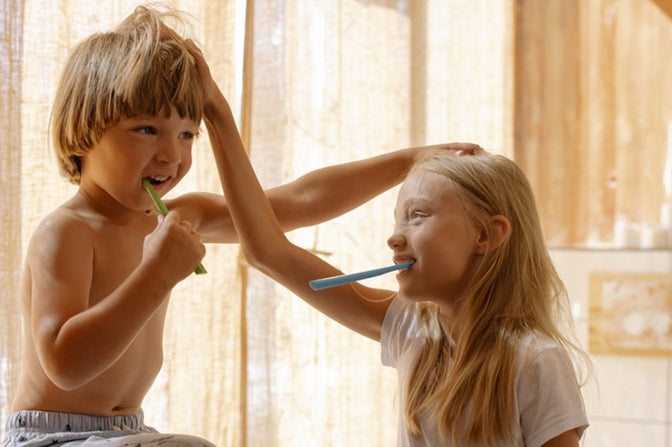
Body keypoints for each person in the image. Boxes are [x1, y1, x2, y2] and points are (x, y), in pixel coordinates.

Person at [2, 5, 465, 446]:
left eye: (187, 133)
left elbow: (300, 201)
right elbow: (64, 363)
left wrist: (408, 162)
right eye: (147, 130)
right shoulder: (67, 232)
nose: (172, 155)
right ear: (84, 130)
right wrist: (157, 274)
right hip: (52, 436)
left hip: (126, 430)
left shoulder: (183, 216)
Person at [193, 33, 591, 446]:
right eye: (398, 219)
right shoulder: (414, 331)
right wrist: (216, 114)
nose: (394, 238)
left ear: (486, 234)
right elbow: (266, 251)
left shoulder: (536, 361)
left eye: (417, 216)